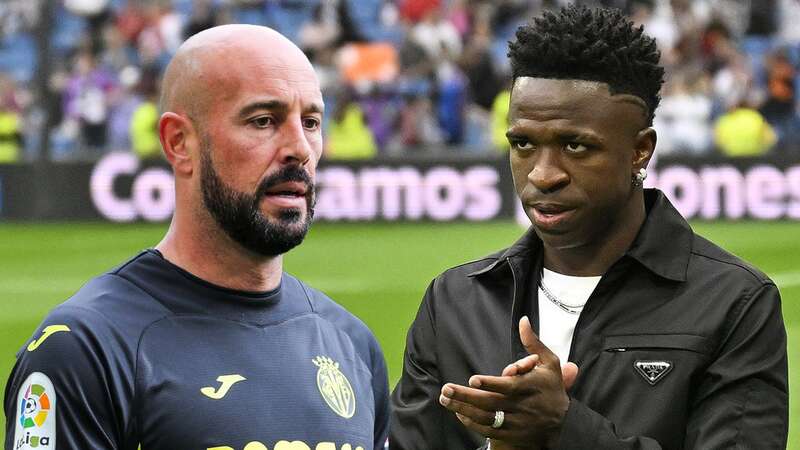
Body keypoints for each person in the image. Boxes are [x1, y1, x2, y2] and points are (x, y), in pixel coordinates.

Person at [390, 5, 788, 450]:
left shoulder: (733, 302)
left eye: (575, 145)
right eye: (523, 143)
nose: (543, 174)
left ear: (640, 150)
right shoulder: (455, 301)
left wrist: (565, 428)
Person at [4, 25, 389, 450]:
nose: (300, 147)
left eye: (311, 121)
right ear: (179, 142)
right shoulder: (87, 349)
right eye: (263, 120)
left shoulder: (352, 344)